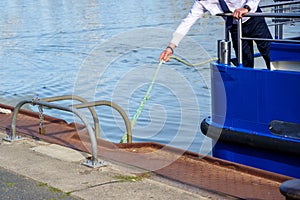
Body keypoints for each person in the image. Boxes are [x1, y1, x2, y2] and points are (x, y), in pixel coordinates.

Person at [159, 0, 272, 69]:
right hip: (234, 27)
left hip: (254, 19)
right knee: (245, 63)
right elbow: (186, 23)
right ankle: (250, 94)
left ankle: (278, 86)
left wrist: (246, 8)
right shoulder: (201, 2)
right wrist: (170, 48)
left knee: (270, 55)